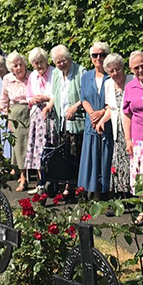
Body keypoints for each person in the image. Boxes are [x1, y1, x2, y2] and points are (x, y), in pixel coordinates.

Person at [79, 42, 113, 199]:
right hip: (91, 122)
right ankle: (92, 190)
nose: (98, 58)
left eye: (102, 55)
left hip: (107, 121)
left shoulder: (112, 76)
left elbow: (116, 99)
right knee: (91, 156)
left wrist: (102, 112)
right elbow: (84, 98)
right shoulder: (86, 77)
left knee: (106, 156)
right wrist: (92, 113)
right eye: (95, 55)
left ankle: (106, 190)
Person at [122, 51, 143, 220]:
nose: (140, 70)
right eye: (136, 68)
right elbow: (127, 114)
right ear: (131, 69)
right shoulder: (130, 87)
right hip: (139, 138)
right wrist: (128, 139)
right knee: (141, 175)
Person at [49, 44, 84, 196]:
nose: (61, 64)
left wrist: (75, 107)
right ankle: (67, 185)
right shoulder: (56, 73)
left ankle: (77, 185)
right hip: (61, 120)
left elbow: (86, 95)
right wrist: (49, 106)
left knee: (76, 153)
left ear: (69, 58)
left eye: (64, 60)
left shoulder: (80, 71)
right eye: (58, 62)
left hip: (77, 120)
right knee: (64, 153)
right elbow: (54, 95)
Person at [0, 52, 32, 191]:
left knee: (32, 144)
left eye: (21, 64)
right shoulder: (7, 79)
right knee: (19, 146)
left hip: (31, 111)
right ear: (11, 68)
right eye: (15, 65)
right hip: (15, 113)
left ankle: (38, 179)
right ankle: (23, 178)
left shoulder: (32, 76)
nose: (19, 68)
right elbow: (4, 99)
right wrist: (5, 118)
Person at [100, 53, 133, 196]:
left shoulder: (132, 81)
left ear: (123, 68)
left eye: (118, 69)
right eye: (111, 71)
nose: (115, 73)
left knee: (132, 162)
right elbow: (111, 108)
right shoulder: (108, 84)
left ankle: (135, 194)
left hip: (133, 128)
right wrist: (102, 120)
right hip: (117, 130)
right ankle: (121, 195)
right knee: (119, 163)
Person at [24, 47, 53, 193]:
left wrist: (46, 98)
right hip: (36, 115)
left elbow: (56, 93)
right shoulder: (33, 76)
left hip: (50, 115)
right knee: (37, 149)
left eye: (41, 62)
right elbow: (28, 96)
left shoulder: (54, 73)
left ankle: (51, 183)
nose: (39, 66)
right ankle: (40, 183)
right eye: (35, 63)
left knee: (48, 147)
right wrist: (33, 99)